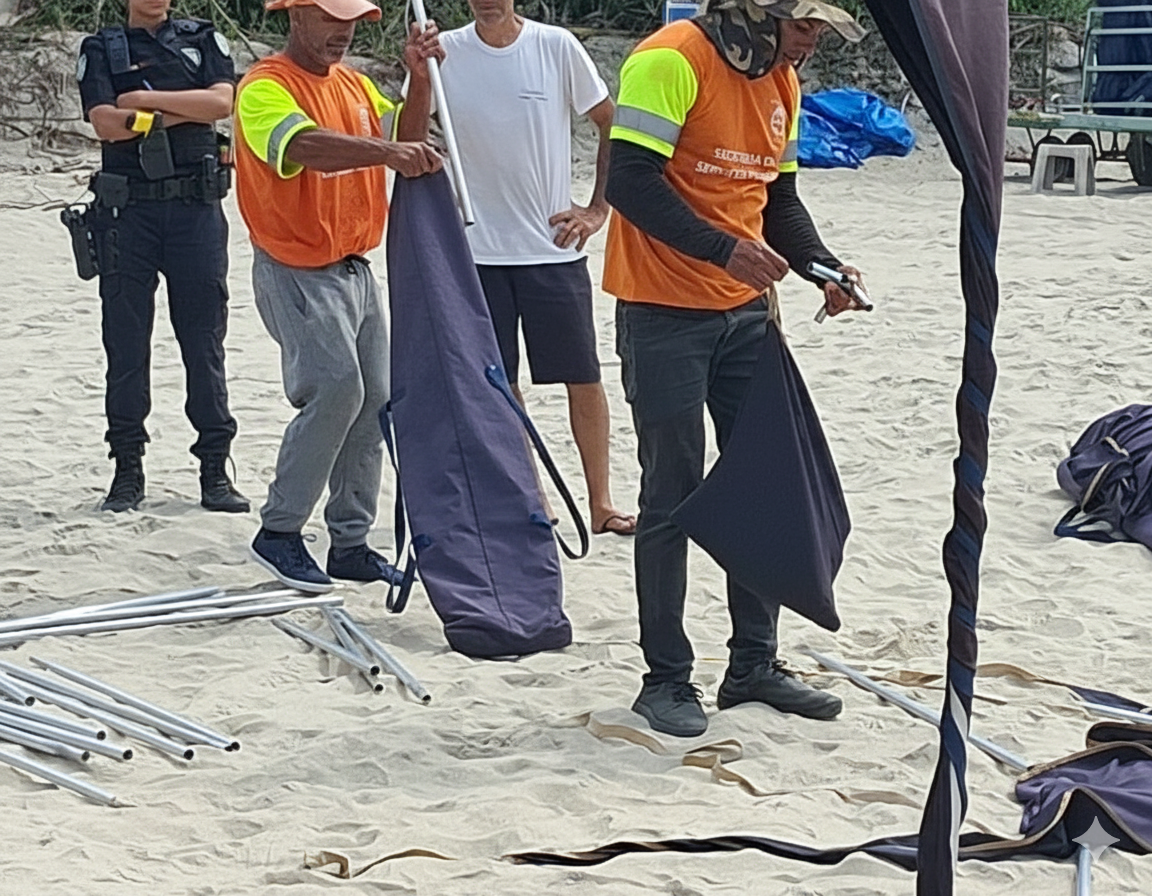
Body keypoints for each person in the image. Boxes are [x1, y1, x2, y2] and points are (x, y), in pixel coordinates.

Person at [604, 0, 868, 737]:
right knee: (671, 494)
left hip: (746, 313)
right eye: (803, 26)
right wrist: (723, 250)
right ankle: (665, 679)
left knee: (764, 480)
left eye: (821, 31)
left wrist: (821, 266)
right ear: (757, 13)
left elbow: (777, 200)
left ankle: (752, 664)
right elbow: (629, 181)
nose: (810, 43)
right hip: (661, 311)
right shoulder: (671, 59)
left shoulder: (782, 80)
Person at [234, 0, 443, 593]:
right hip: (297, 266)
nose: (344, 31)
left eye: (351, 20)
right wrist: (386, 153)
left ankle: (349, 542)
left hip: (355, 267)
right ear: (296, 15)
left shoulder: (354, 84)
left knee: (375, 397)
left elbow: (406, 136)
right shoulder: (263, 86)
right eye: (331, 17)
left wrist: (419, 79)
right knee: (335, 390)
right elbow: (303, 146)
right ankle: (279, 531)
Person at [437, 0, 637, 537]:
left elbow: (611, 122)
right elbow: (407, 134)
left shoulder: (556, 46)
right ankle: (533, 497)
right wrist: (418, 68)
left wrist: (598, 208)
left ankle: (600, 502)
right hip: (478, 251)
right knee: (500, 382)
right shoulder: (443, 52)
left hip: (552, 247)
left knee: (583, 376)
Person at [76, 0, 248, 514]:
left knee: (204, 342)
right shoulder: (102, 47)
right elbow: (106, 123)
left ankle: (214, 468)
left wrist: (144, 105)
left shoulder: (202, 38)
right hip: (127, 215)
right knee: (126, 345)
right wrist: (181, 111)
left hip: (195, 212)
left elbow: (221, 103)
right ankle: (127, 468)